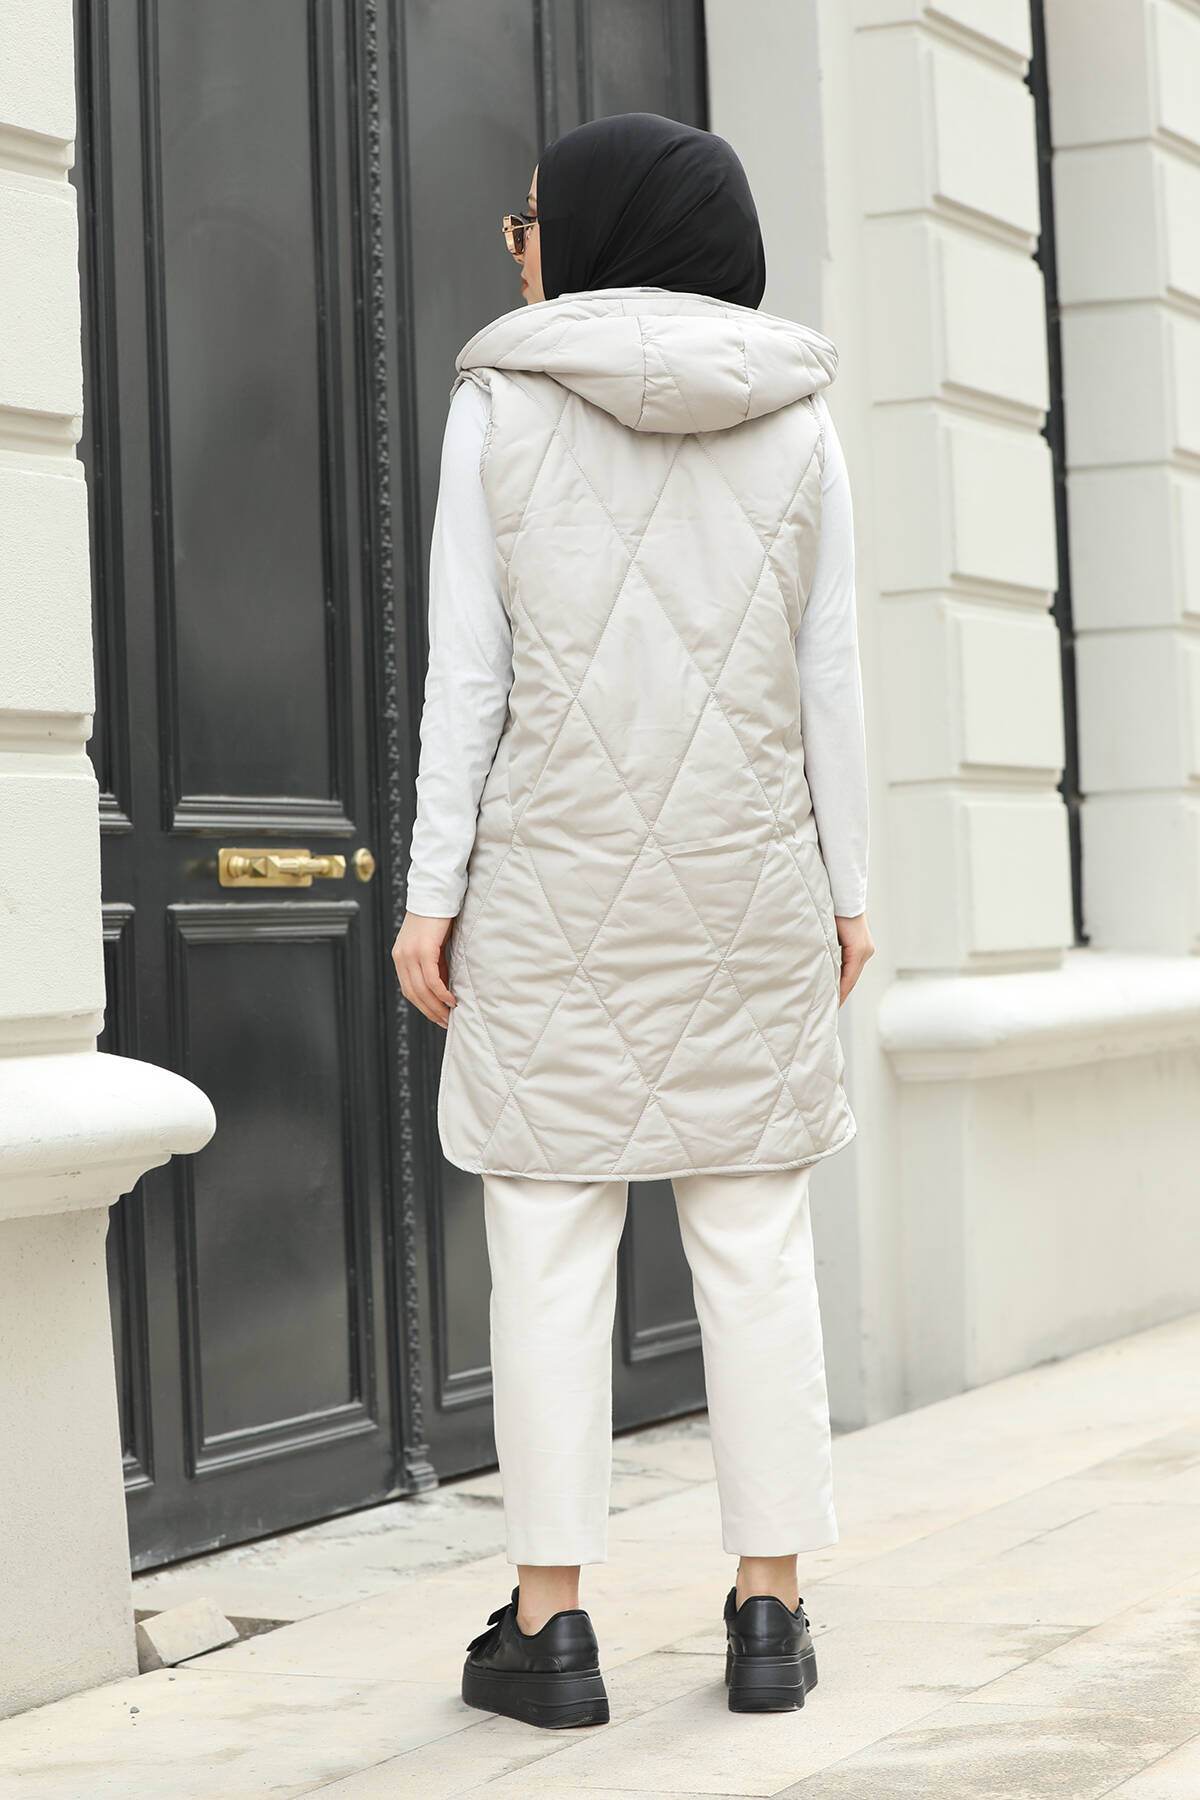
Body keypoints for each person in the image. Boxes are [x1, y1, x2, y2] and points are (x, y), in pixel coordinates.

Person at [393, 112, 873, 1729]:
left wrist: (432, 893)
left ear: (597, 231)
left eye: (529, 222)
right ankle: (769, 1612)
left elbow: (470, 677)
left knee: (546, 1244)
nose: (518, 249)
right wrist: (851, 890)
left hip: (551, 888)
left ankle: (552, 1629)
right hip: (750, 885)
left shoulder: (500, 406)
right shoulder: (801, 418)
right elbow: (830, 682)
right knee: (757, 1242)